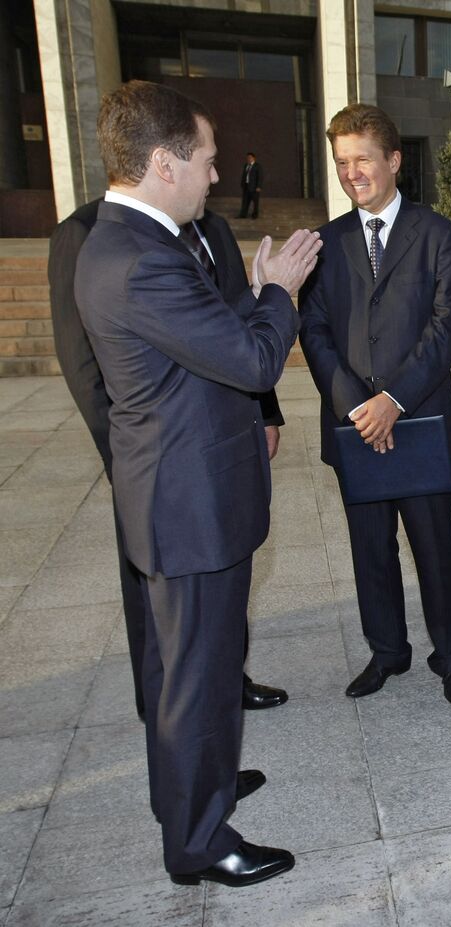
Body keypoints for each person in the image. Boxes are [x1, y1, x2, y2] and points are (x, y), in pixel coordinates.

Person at [75, 79, 320, 887]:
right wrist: (279, 289)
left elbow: (207, 349)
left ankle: (189, 792)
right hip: (191, 507)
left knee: (180, 673)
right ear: (163, 162)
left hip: (179, 496)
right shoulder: (141, 258)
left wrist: (250, 297)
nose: (218, 177)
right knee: (198, 679)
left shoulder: (131, 241)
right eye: (208, 162)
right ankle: (200, 838)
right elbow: (250, 359)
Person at [50, 199, 290, 721]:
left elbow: (229, 327)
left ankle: (226, 684)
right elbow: (82, 364)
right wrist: (123, 454)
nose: (213, 174)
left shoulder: (212, 228)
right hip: (158, 462)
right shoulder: (87, 235)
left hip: (220, 444)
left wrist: (263, 415)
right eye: (203, 157)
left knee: (219, 588)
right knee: (164, 612)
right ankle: (168, 715)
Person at [299, 104, 451, 706]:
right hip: (355, 427)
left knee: (435, 552)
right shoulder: (325, 243)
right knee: (370, 550)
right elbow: (313, 329)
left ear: (394, 161)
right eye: (342, 162)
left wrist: (393, 400)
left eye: (363, 160)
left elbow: (447, 327)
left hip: (419, 420)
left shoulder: (440, 236)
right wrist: (357, 405)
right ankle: (387, 652)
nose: (352, 173)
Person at [238, 152, 261, 219]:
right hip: (246, 186)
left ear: (254, 158)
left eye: (250, 157)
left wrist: (259, 186)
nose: (248, 159)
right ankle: (243, 214)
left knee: (255, 202)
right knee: (245, 201)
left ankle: (254, 215)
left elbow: (260, 177)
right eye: (247, 158)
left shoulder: (257, 166)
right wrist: (242, 184)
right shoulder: (246, 165)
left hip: (254, 188)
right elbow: (244, 175)